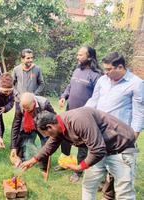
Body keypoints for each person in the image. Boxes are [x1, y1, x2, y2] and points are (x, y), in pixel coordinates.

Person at [21, 108, 137, 200]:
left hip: (121, 147)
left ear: (50, 126)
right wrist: (32, 161)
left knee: (124, 193)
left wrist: (79, 167)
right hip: (102, 150)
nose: (48, 137)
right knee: (88, 185)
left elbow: (98, 149)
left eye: (47, 134)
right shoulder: (58, 127)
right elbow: (49, 146)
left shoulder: (78, 120)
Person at [85, 52, 144, 199]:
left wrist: (132, 138)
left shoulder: (136, 84)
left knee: (124, 188)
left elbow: (139, 113)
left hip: (120, 141)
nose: (105, 72)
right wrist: (82, 115)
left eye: (109, 69)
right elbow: (93, 101)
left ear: (120, 67)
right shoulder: (102, 80)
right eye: (104, 69)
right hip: (98, 138)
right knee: (90, 182)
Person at [54, 46, 102, 183]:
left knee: (82, 143)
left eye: (80, 55)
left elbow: (98, 97)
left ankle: (78, 171)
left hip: (84, 116)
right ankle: (65, 162)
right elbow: (70, 86)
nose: (77, 57)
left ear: (90, 57)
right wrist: (64, 96)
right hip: (69, 112)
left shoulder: (96, 75)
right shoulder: (76, 70)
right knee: (65, 137)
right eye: (77, 54)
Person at [10, 92, 56, 172]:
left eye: (27, 108)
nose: (25, 110)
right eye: (23, 108)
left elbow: (54, 118)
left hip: (42, 126)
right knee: (21, 139)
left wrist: (53, 133)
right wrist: (13, 147)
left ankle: (43, 168)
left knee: (45, 145)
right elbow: (16, 124)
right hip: (28, 124)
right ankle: (21, 162)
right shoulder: (20, 104)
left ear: (34, 103)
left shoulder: (44, 104)